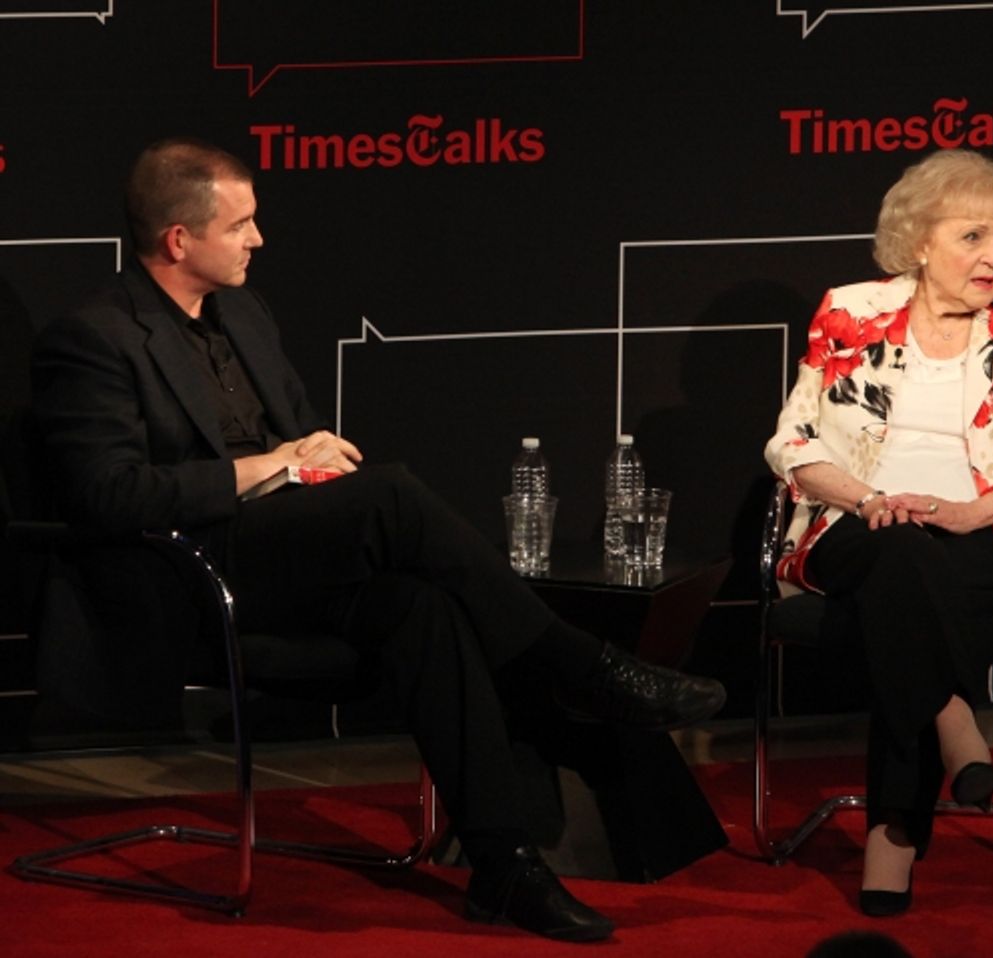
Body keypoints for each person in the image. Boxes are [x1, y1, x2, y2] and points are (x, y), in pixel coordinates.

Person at [31, 137, 728, 942]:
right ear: (179, 240)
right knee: (392, 496)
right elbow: (103, 495)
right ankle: (578, 666)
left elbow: (292, 448)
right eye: (241, 225)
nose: (259, 239)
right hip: (183, 572)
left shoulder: (245, 316)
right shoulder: (93, 338)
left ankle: (503, 861)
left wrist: (313, 456)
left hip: (278, 550)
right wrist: (272, 465)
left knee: (419, 606)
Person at [764, 149, 993, 917]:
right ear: (918, 240)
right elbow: (793, 442)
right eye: (973, 236)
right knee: (900, 553)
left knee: (904, 587)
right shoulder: (850, 310)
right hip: (858, 522)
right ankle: (953, 716)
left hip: (988, 537)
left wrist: (983, 509)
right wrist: (870, 496)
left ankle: (894, 835)